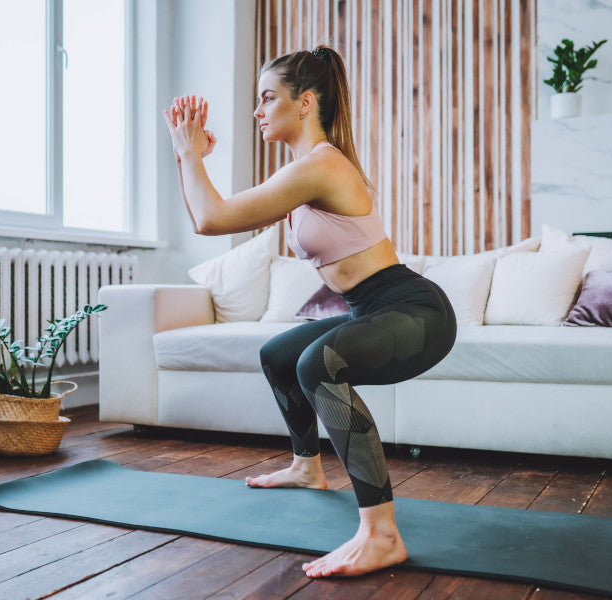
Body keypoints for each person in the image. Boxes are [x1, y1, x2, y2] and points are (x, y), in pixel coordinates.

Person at [163, 45, 456, 578]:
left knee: (318, 364)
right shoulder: (303, 169)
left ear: (305, 103)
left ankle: (382, 534)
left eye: (267, 97)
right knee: (279, 353)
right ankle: (305, 466)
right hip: (371, 308)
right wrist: (191, 158)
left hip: (415, 311)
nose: (257, 111)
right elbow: (203, 218)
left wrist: (189, 153)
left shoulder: (320, 166)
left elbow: (213, 218)